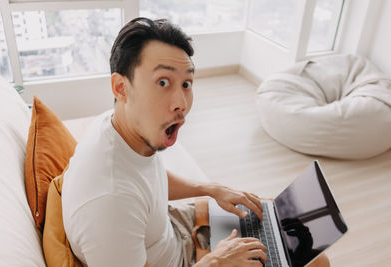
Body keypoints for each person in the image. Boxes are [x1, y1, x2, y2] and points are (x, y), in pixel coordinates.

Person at [62, 17, 329, 267]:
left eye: (186, 83)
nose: (181, 103)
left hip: (172, 229)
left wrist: (211, 189)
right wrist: (216, 262)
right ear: (121, 87)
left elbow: (145, 181)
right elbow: (124, 196)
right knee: (315, 261)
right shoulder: (109, 204)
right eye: (163, 82)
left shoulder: (115, 126)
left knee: (272, 214)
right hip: (187, 260)